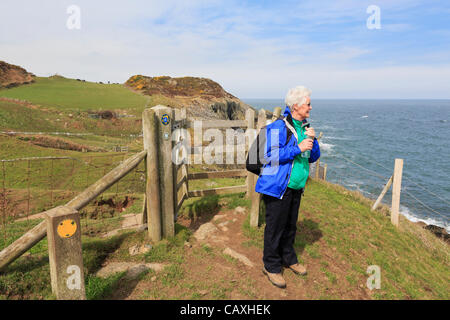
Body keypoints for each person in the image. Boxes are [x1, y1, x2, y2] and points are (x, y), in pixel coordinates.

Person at [255, 85, 320, 288]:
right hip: (278, 187)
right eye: (308, 104)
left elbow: (314, 157)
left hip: (296, 187)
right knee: (275, 228)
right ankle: (271, 266)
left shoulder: (304, 128)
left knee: (290, 226)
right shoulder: (278, 127)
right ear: (296, 106)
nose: (310, 107)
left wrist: (312, 139)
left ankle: (289, 258)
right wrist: (297, 148)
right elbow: (269, 155)